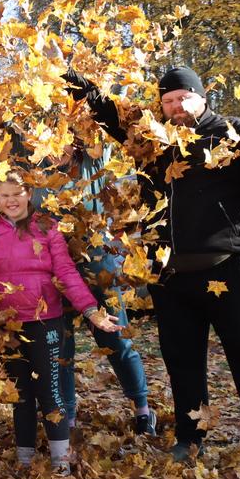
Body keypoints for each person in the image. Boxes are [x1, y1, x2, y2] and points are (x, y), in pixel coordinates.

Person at [66, 65, 240, 464]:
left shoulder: (235, 131)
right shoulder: (152, 137)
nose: (176, 106)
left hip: (229, 266)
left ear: (201, 95)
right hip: (171, 273)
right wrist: (70, 77)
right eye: (168, 100)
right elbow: (107, 111)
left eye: (183, 97)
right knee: (182, 362)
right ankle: (189, 437)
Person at [0, 176, 121, 473]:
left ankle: (61, 465)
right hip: (7, 326)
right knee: (19, 395)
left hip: (45, 321)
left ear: (29, 194)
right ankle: (25, 463)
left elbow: (67, 272)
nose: (11, 201)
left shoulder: (47, 228)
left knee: (49, 391)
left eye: (17, 194)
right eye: (4, 195)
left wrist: (91, 311)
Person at [53, 145, 157, 437]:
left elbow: (99, 116)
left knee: (116, 339)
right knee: (61, 349)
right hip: (54, 271)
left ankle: (143, 410)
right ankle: (68, 417)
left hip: (97, 265)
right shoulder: (36, 172)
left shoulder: (90, 161)